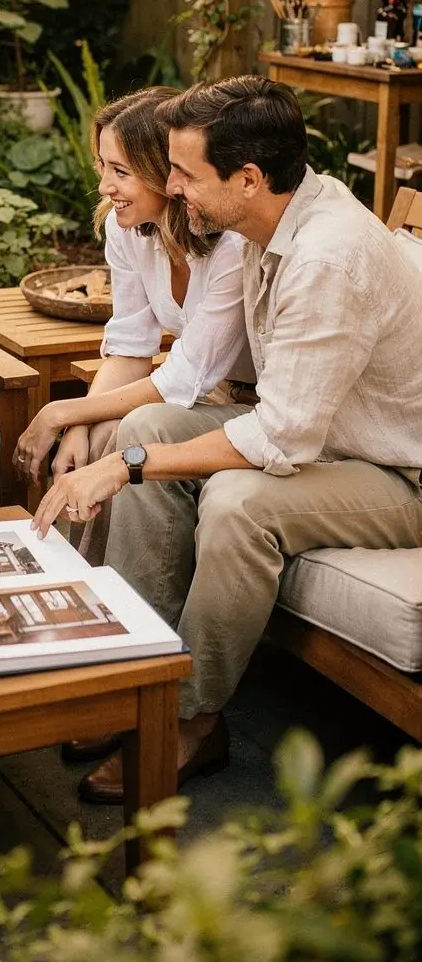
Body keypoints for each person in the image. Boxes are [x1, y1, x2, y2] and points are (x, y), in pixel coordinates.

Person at [32, 75, 422, 803]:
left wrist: (126, 468)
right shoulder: (264, 221)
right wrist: (125, 444)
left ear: (248, 178)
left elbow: (280, 438)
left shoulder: (327, 256)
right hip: (326, 438)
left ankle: (191, 719)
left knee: (239, 501)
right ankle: (134, 674)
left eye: (182, 173)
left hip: (398, 474)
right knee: (143, 424)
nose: (170, 186)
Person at [13, 88, 255, 509]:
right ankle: (71, 569)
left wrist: (61, 413)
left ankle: (126, 575)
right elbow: (129, 348)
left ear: (167, 172)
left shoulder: (232, 247)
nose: (105, 186)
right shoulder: (126, 230)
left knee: (135, 429)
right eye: (103, 166)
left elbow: (184, 376)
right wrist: (80, 425)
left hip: (254, 408)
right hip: (201, 395)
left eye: (121, 171)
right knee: (94, 441)